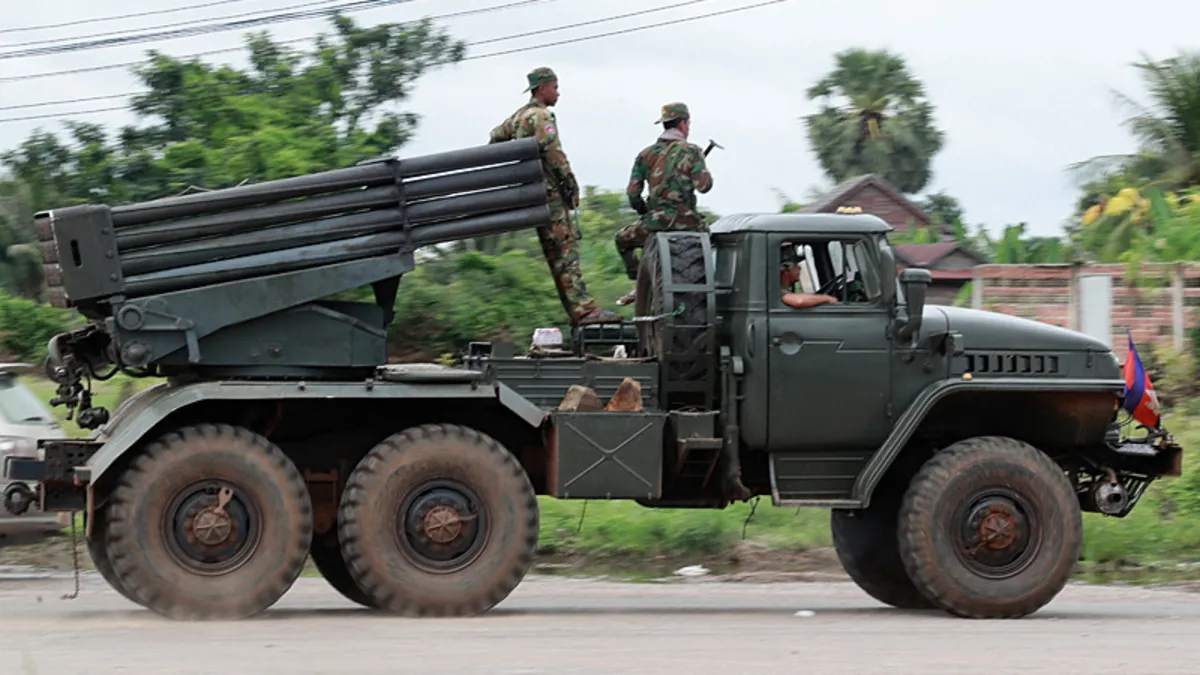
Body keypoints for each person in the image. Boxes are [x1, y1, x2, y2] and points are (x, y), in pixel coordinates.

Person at [488, 66, 621, 325]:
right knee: (566, 251)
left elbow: (494, 138)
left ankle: (577, 312)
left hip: (531, 196)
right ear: (543, 88)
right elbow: (554, 154)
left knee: (554, 254)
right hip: (549, 195)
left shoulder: (518, 117)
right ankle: (584, 311)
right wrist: (570, 184)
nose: (558, 93)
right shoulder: (541, 117)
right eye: (555, 87)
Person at [614, 102, 714, 306]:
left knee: (621, 240)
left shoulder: (645, 154)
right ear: (684, 124)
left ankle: (640, 280)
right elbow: (703, 186)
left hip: (655, 223)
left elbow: (633, 194)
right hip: (688, 223)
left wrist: (647, 212)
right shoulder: (692, 151)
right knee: (713, 241)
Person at [779, 243, 839, 308]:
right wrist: (827, 298)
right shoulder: (776, 289)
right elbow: (799, 301)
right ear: (786, 268)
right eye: (796, 264)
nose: (799, 267)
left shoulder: (783, 289)